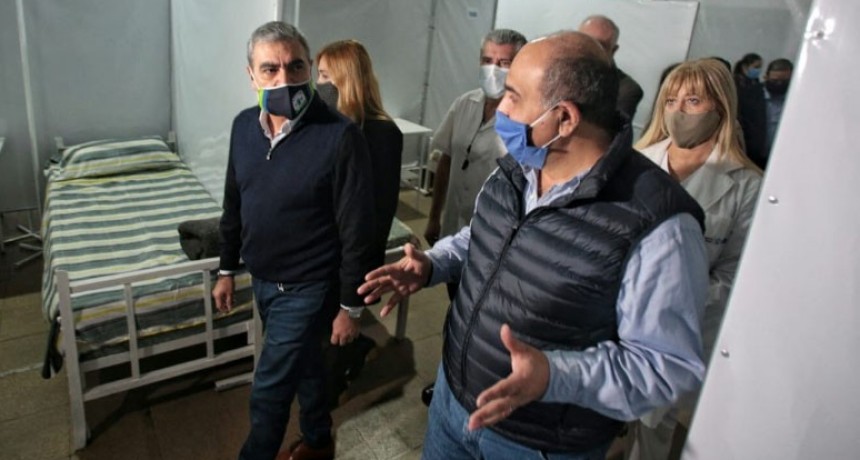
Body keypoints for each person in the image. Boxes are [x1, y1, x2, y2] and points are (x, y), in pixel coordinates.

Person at [359, 31, 710, 459]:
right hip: (453, 401)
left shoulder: (659, 225)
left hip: (538, 444)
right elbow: (483, 235)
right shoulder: (517, 168)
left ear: (564, 118)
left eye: (513, 96)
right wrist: (433, 264)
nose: (501, 109)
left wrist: (555, 376)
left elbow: (665, 367)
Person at [214, 21, 375, 460]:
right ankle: (319, 441)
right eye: (270, 69)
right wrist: (227, 268)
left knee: (269, 389)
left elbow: (357, 229)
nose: (285, 78)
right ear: (251, 75)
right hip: (262, 280)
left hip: (307, 288)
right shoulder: (243, 127)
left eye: (296, 66)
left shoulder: (339, 136)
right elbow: (234, 201)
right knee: (307, 366)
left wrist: (351, 307)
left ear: (309, 68)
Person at [630, 58, 763, 460]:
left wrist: (676, 300)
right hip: (618, 317)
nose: (678, 111)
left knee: (654, 430)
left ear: (720, 108)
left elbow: (735, 271)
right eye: (671, 101)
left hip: (681, 330)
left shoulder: (745, 184)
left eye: (692, 101)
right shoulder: (637, 161)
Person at [315, 39, 403, 399]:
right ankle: (354, 350)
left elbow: (376, 216)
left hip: (351, 255)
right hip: (323, 254)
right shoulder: (327, 125)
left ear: (345, 78)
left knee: (333, 353)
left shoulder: (381, 133)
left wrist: (351, 299)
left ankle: (345, 366)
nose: (317, 84)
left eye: (325, 76)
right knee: (323, 337)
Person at [424, 28, 527, 283]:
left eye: (504, 63)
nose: (493, 69)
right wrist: (434, 217)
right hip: (454, 226)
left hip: (494, 236)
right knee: (453, 288)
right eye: (487, 61)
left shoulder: (525, 117)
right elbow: (446, 160)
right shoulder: (464, 103)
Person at [578, 15, 644, 120]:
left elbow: (607, 128)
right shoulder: (557, 70)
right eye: (584, 41)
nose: (589, 49)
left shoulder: (626, 89)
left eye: (599, 45)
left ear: (613, 50)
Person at [737, 58, 794, 169]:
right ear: (766, 77)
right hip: (752, 158)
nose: (779, 84)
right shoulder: (748, 96)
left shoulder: (797, 99)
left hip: (785, 158)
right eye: (775, 81)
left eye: (784, 81)